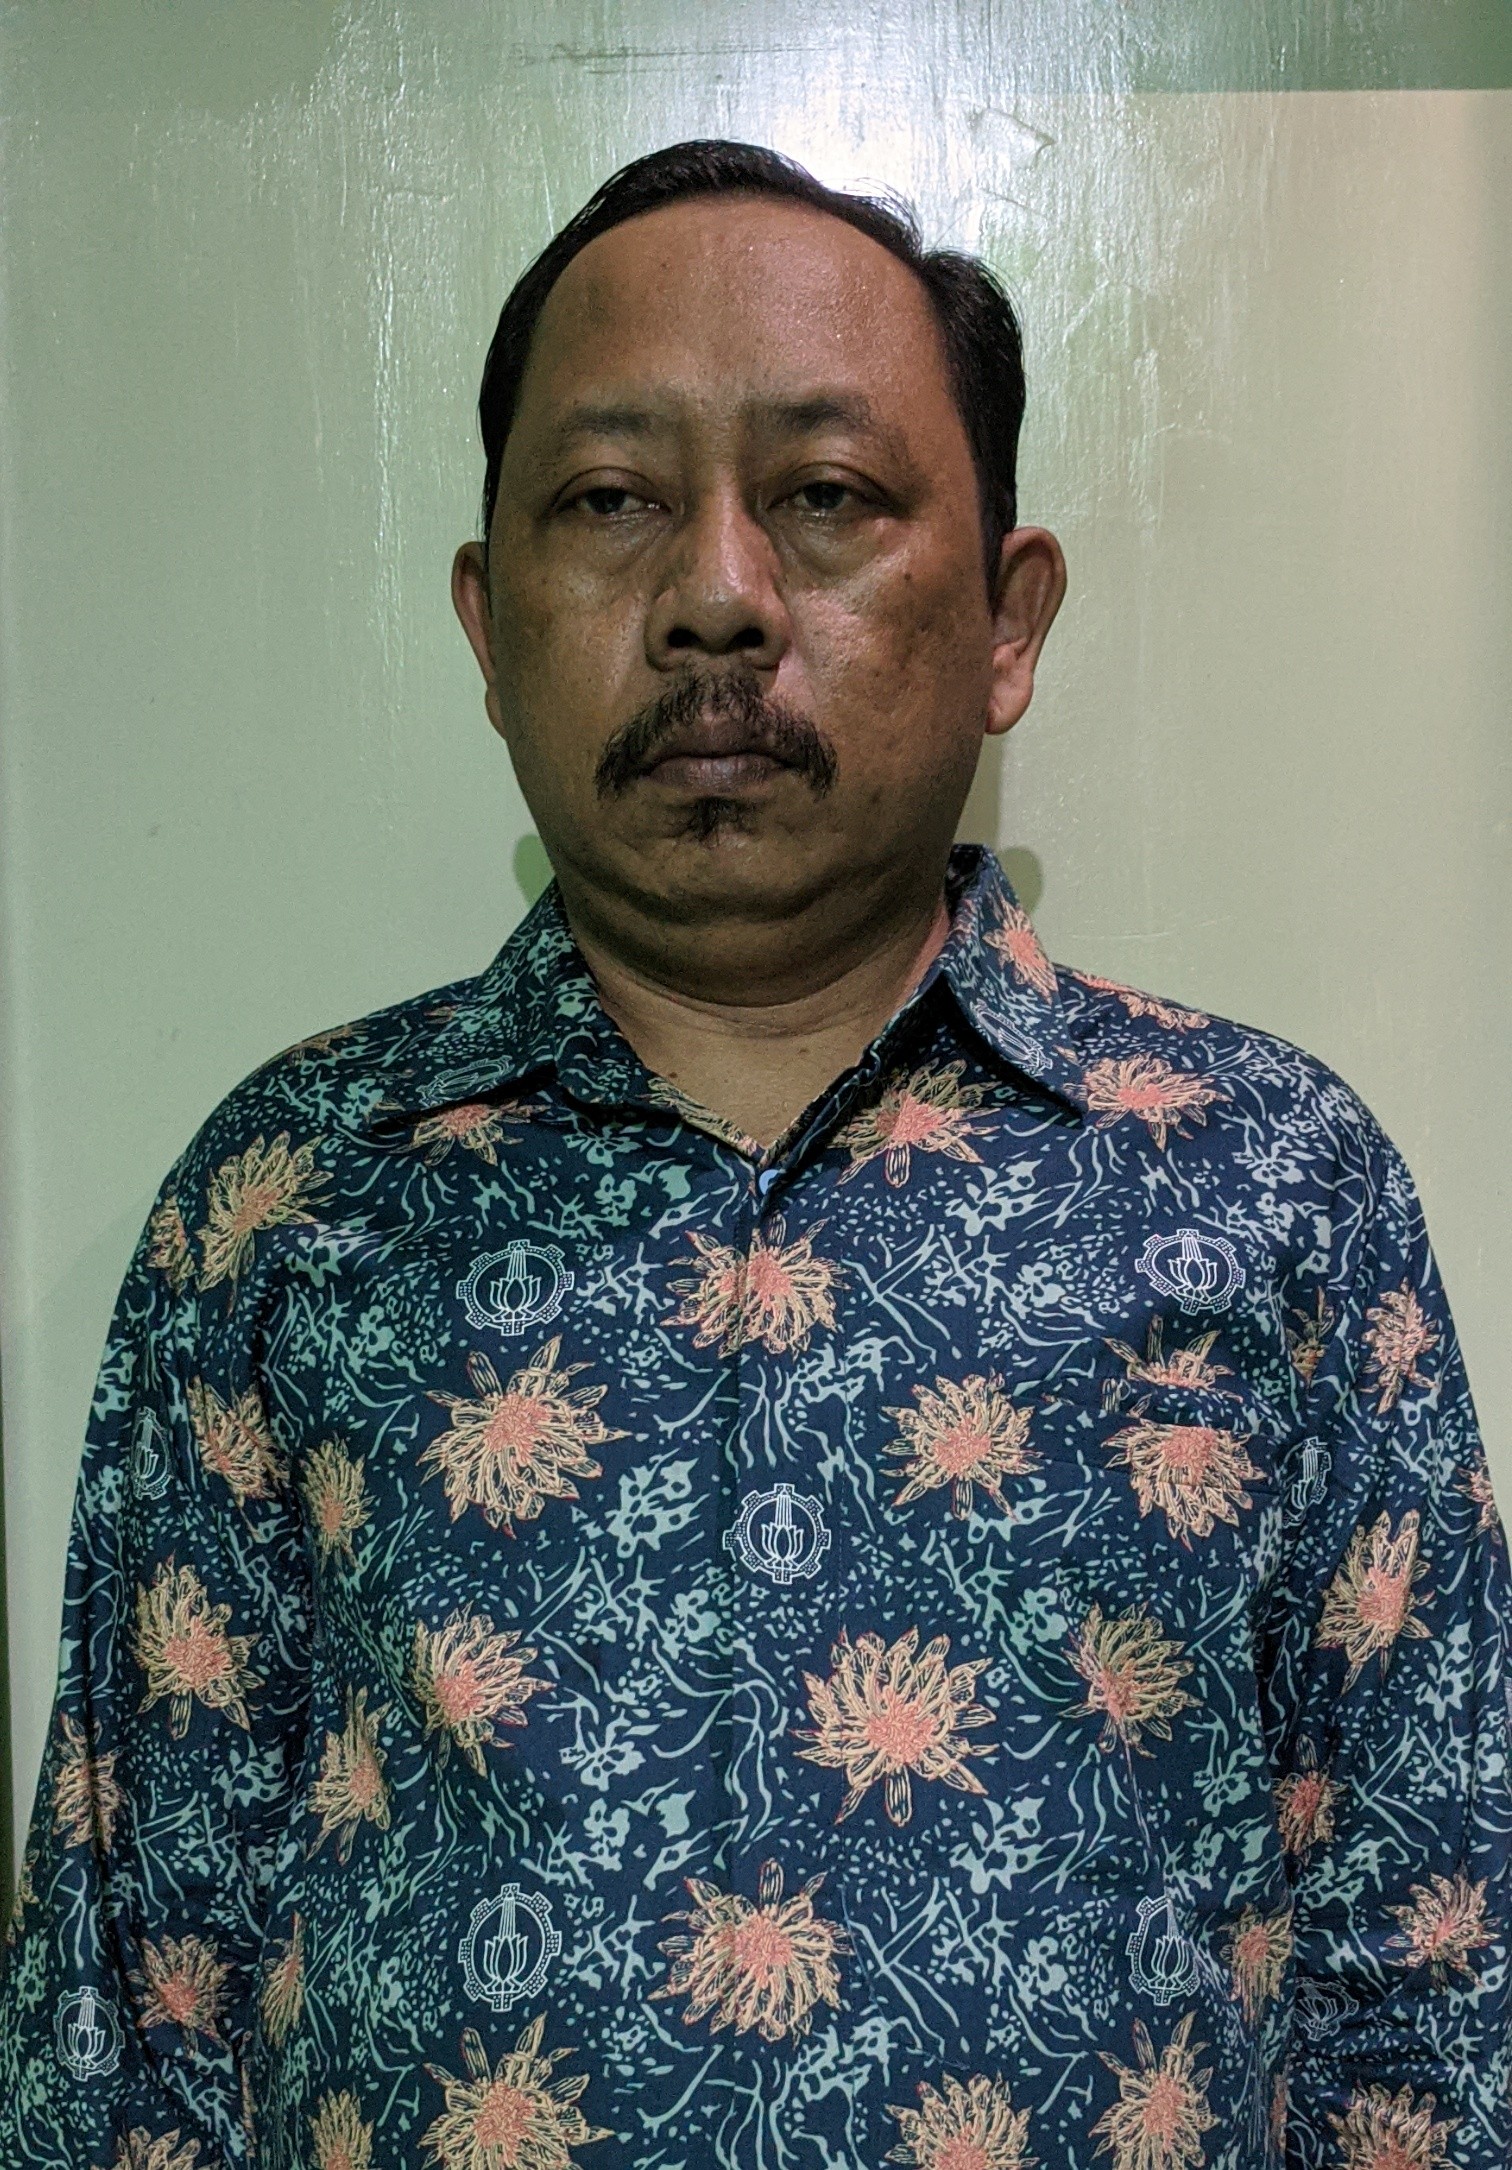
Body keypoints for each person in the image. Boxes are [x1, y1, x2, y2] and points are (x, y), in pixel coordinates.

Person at [0, 138, 1506, 2170]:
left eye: (827, 495)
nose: (716, 592)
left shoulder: (1272, 1185)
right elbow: (131, 2022)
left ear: (1008, 619)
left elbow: (1432, 1982)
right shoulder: (291, 1203)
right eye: (610, 500)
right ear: (487, 622)